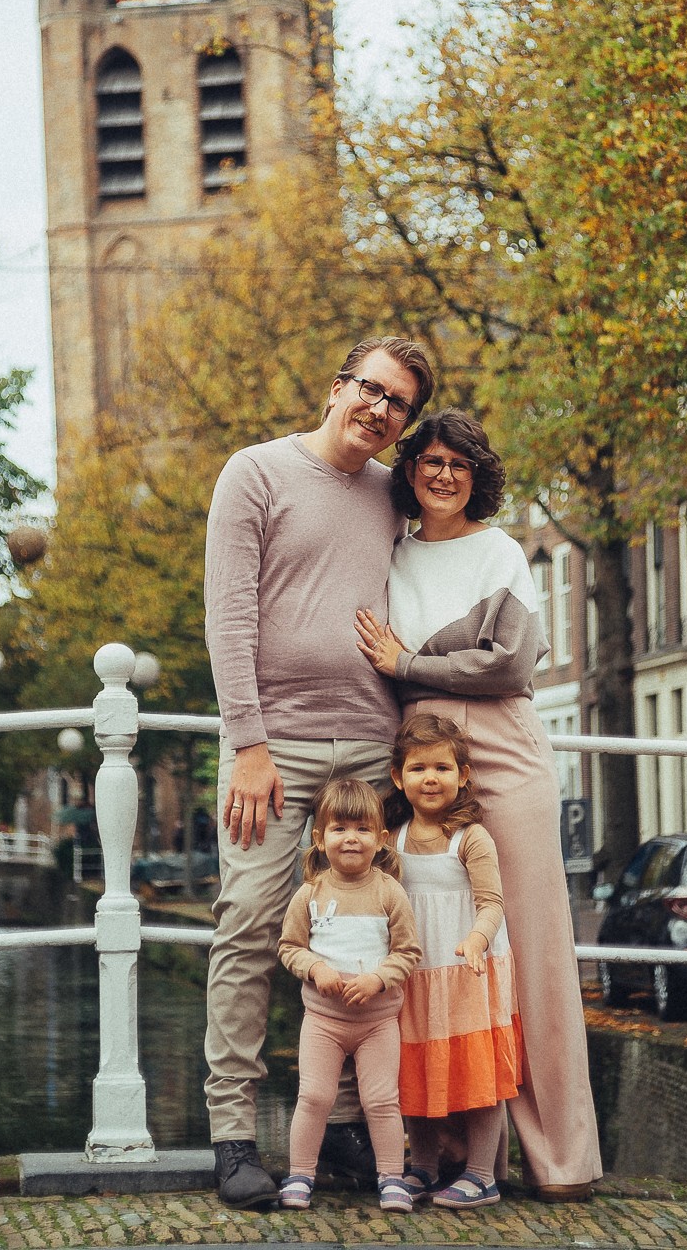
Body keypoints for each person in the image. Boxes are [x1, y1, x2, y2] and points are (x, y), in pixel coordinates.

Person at [202, 335, 435, 1208]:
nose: (379, 410)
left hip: (371, 749)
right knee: (252, 926)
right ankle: (234, 1135)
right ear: (337, 387)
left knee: (358, 932)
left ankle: (341, 1128)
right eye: (371, 390)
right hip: (275, 747)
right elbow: (227, 615)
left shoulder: (390, 497)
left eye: (397, 404)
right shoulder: (254, 473)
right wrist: (249, 743)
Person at [356, 409, 602, 1198]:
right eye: (428, 459)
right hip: (423, 752)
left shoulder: (498, 550)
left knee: (529, 943)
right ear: (409, 470)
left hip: (503, 750)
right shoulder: (389, 555)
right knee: (438, 944)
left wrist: (411, 661)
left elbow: (512, 663)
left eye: (458, 463)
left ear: (476, 475)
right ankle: (466, 1161)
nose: (441, 474)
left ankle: (561, 1159)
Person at [389, 712, 520, 1210]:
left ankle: (482, 1173)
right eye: (419, 768)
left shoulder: (471, 837)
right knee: (415, 1066)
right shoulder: (393, 839)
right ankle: (422, 1164)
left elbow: (492, 902)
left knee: (478, 1072)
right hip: (416, 973)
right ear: (399, 778)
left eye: (442, 768)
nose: (430, 778)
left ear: (463, 775)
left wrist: (476, 940)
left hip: (467, 971)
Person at [276, 778, 421, 1214]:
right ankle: (300, 1172)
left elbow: (408, 951)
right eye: (339, 829)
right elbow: (289, 947)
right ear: (320, 839)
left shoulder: (389, 892)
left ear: (380, 839)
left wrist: (379, 979)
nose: (351, 838)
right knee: (315, 1097)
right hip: (323, 1021)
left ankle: (392, 1177)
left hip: (378, 1022)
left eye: (362, 830)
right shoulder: (310, 894)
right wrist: (315, 967)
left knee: (380, 1100)